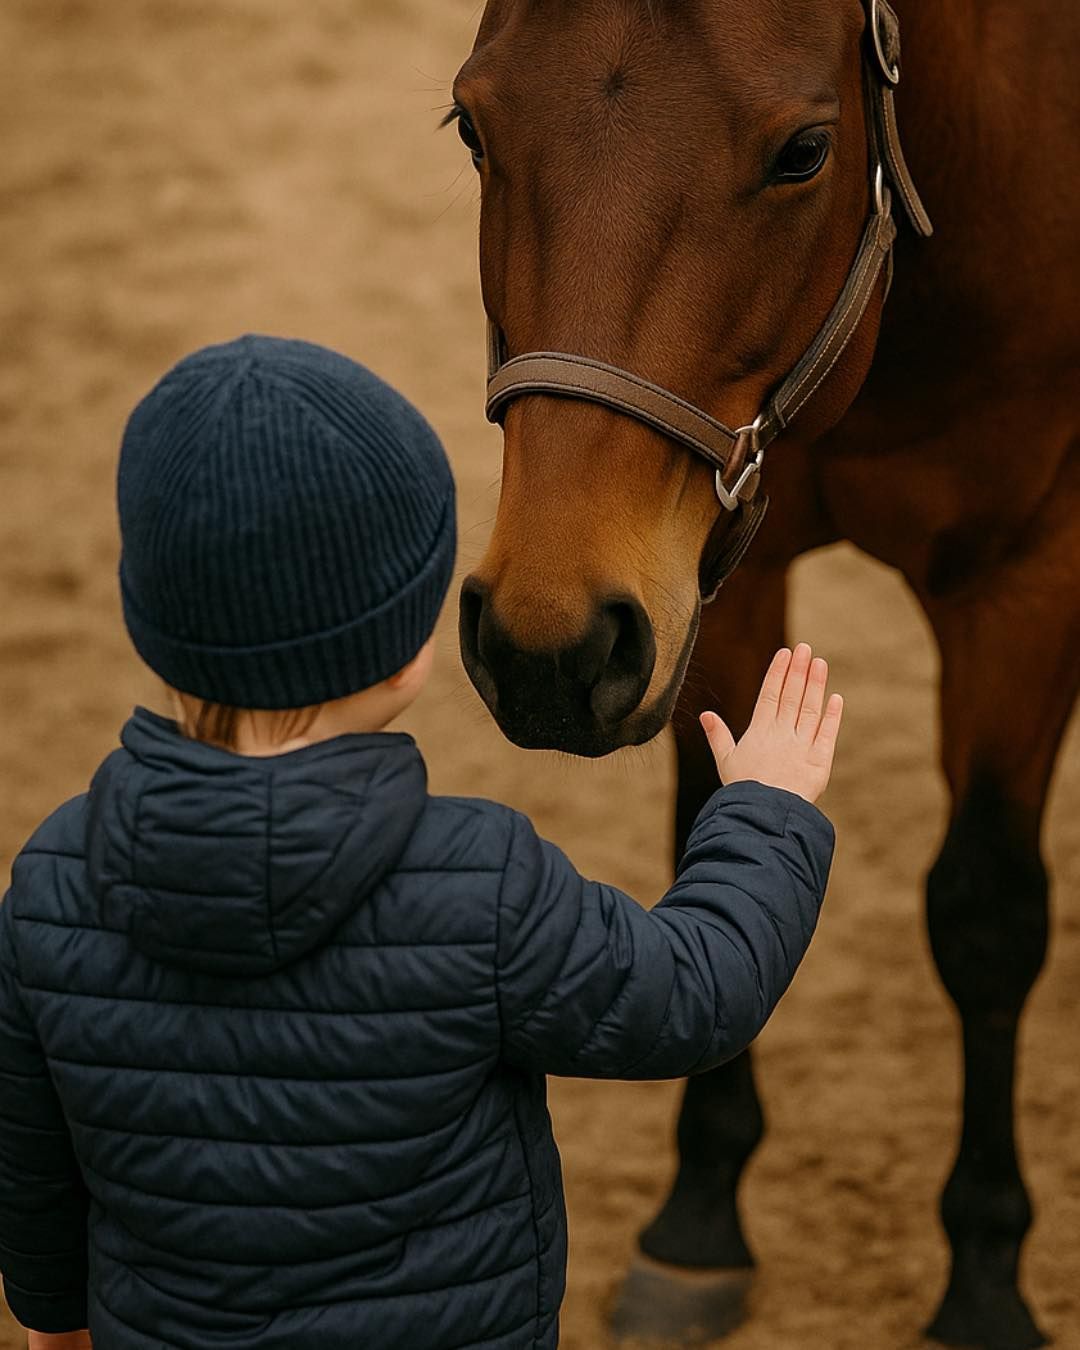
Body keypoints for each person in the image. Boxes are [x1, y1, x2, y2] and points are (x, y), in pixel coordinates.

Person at [0, 336, 841, 1350]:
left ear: (151, 618)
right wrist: (767, 808)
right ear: (409, 652)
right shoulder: (480, 888)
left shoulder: (48, 886)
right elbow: (694, 993)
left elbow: (32, 1163)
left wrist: (54, 1321)